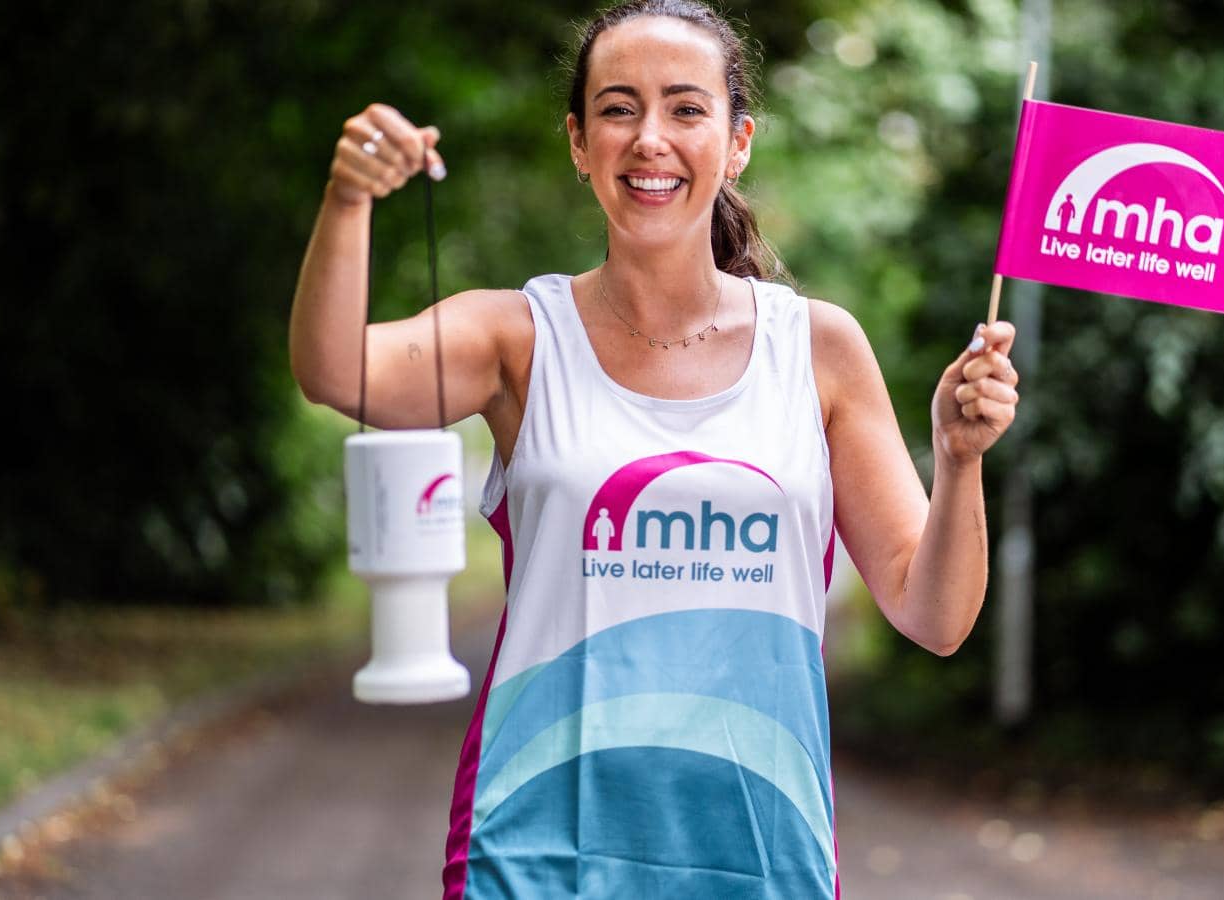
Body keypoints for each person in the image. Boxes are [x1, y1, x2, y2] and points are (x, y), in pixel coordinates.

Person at [289, 1, 1019, 896]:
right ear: (577, 140)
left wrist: (958, 458)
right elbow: (335, 371)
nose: (650, 139)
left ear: (737, 140)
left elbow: (933, 616)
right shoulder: (517, 335)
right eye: (618, 108)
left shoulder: (819, 349)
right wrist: (349, 198)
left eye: (685, 107)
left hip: (759, 852)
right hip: (537, 849)